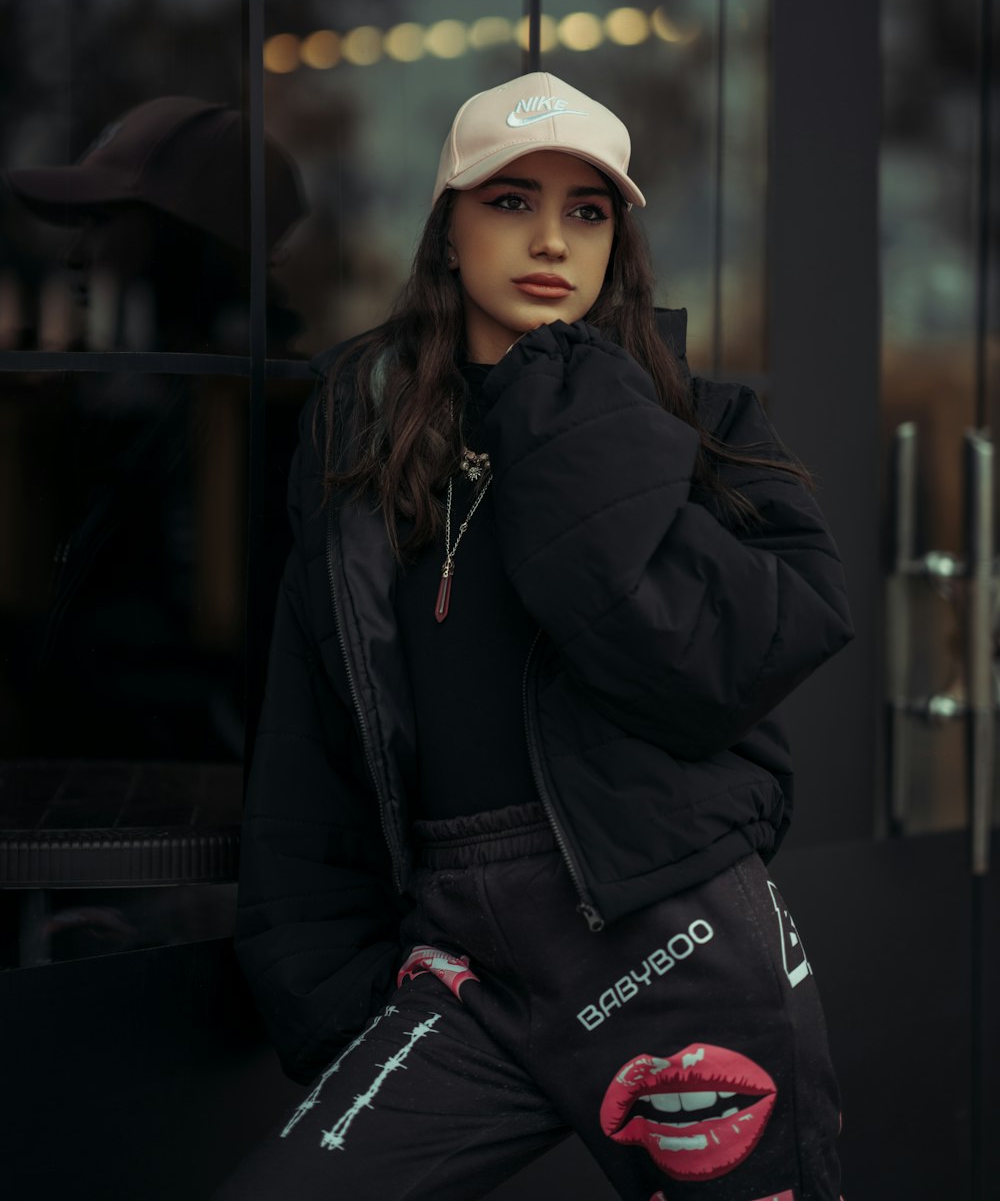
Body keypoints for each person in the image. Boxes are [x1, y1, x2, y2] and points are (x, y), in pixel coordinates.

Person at [215, 72, 855, 1201]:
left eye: (588, 210)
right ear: (446, 230)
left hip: (673, 944)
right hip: (461, 962)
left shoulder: (699, 432)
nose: (550, 238)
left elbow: (728, 665)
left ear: (619, 241)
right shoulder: (362, 453)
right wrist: (330, 981)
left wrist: (570, 410)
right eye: (509, 201)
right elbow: (307, 732)